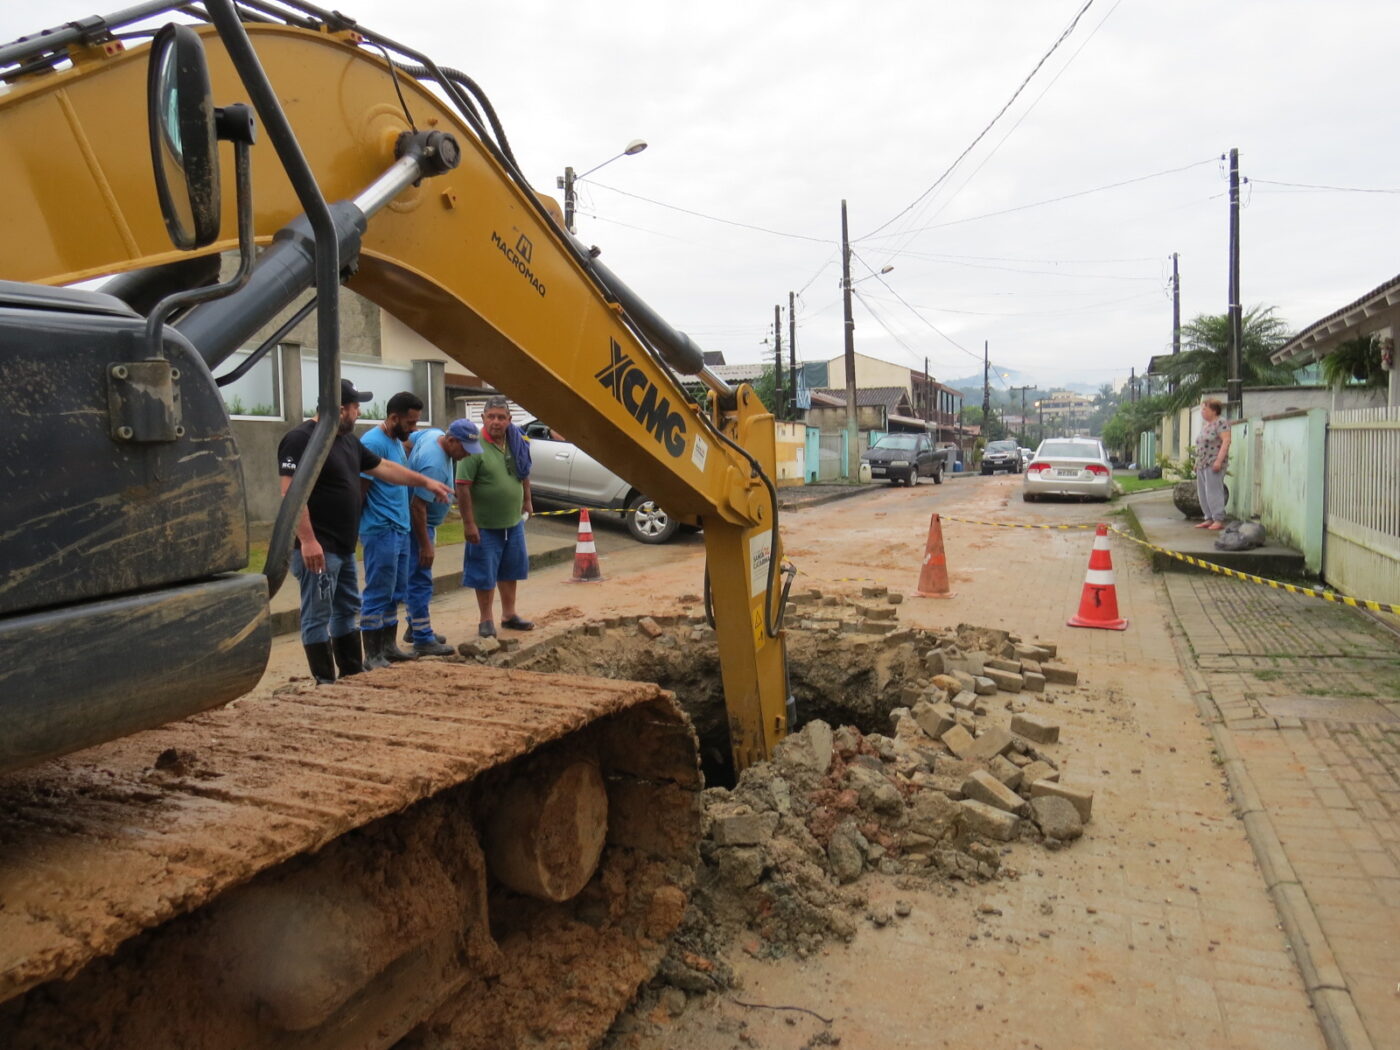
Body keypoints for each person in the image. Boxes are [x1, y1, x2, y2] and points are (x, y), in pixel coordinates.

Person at [277, 379, 451, 684]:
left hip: (343, 547)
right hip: (319, 546)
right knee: (317, 615)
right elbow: (291, 494)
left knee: (347, 609)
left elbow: (383, 468)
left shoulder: (346, 440)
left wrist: (424, 482)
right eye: (356, 407)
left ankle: (351, 674)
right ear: (341, 409)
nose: (359, 413)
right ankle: (324, 681)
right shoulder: (300, 439)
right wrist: (307, 540)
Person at [358, 391, 442, 667]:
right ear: (394, 418)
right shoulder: (372, 443)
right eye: (410, 423)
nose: (413, 429)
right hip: (380, 528)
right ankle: (372, 653)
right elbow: (361, 488)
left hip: (400, 528)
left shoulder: (395, 442)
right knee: (378, 590)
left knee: (396, 590)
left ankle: (389, 646)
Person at [456, 396, 534, 638]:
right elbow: (462, 486)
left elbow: (524, 471)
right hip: (484, 526)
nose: (496, 422)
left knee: (511, 570)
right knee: (484, 573)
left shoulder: (515, 441)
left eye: (501, 417)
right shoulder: (474, 447)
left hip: (513, 522)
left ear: (510, 420)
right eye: (491, 417)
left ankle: (509, 615)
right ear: (483, 418)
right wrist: (469, 523)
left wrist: (527, 499)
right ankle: (486, 619)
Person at [402, 417, 482, 654]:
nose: (466, 455)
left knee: (417, 578)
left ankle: (415, 627)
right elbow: (418, 507)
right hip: (419, 527)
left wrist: (408, 468)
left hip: (424, 524)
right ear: (450, 440)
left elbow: (407, 441)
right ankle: (423, 638)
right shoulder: (435, 465)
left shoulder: (431, 434)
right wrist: (425, 545)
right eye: (464, 449)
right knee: (420, 579)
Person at [1194, 397, 1232, 531]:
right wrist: (1196, 462)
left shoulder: (1221, 423)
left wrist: (1219, 461)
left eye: (1205, 409)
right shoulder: (1206, 426)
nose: (1202, 412)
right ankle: (1208, 517)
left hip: (1213, 462)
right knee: (1203, 492)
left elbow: (1226, 441)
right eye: (1202, 409)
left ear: (1214, 410)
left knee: (1213, 491)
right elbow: (1201, 445)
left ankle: (1218, 518)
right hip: (1202, 463)